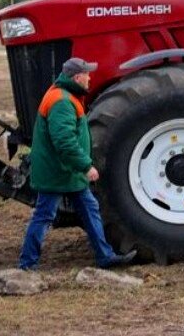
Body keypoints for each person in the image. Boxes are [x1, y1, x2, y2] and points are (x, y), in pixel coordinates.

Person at [19, 57, 136, 270]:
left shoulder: (65, 95)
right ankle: (27, 264)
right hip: (57, 172)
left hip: (67, 172)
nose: (90, 78)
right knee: (44, 216)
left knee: (90, 209)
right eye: (87, 74)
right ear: (77, 77)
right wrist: (85, 165)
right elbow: (64, 142)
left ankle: (105, 256)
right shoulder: (62, 101)